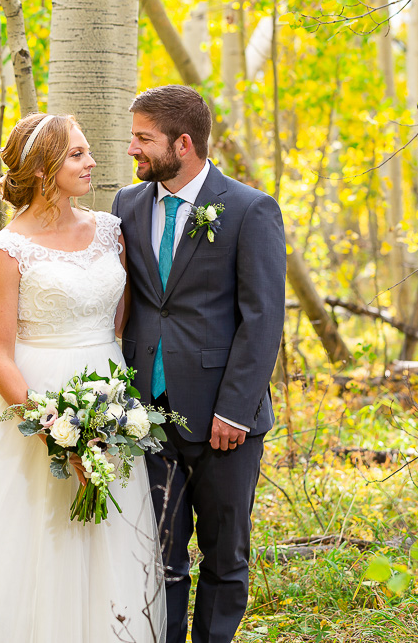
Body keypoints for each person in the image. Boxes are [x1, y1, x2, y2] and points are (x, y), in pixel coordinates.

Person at [0, 113, 165, 643]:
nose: (91, 163)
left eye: (87, 152)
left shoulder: (111, 231)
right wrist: (54, 427)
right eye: (77, 155)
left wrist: (108, 413)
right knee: (29, 535)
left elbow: (119, 318)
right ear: (43, 169)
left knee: (109, 531)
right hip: (34, 401)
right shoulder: (6, 250)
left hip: (107, 396)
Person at [112, 85, 286, 643]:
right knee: (159, 558)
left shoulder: (249, 209)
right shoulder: (127, 206)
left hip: (222, 420)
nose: (132, 148)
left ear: (182, 143)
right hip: (148, 416)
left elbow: (262, 320)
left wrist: (234, 411)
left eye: (143, 138)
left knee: (224, 556)